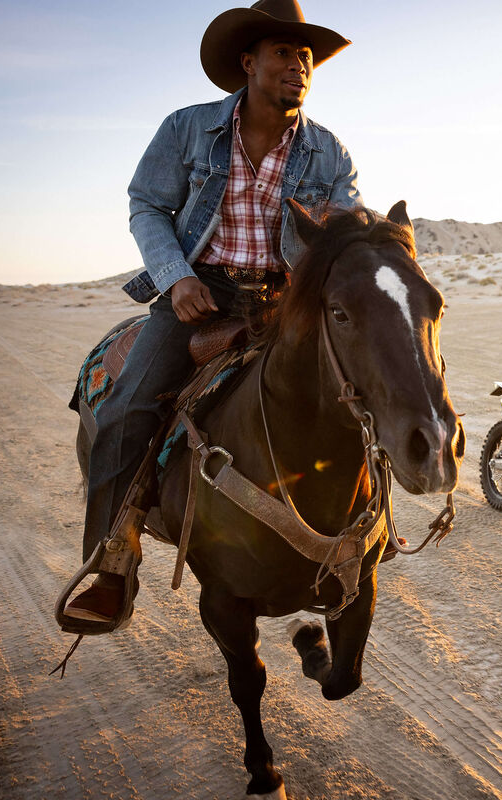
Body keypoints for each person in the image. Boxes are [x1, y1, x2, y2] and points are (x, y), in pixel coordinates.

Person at [64, 0, 362, 625]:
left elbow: (345, 228)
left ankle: (360, 536)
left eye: (306, 57)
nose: (298, 67)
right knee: (124, 411)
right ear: (247, 63)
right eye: (284, 53)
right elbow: (147, 205)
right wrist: (175, 280)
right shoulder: (187, 129)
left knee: (363, 393)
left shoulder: (327, 151)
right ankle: (111, 564)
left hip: (285, 301)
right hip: (199, 294)